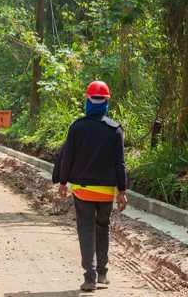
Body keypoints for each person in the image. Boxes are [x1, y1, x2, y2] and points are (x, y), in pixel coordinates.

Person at [57, 81, 128, 292]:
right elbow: (120, 163)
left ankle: (90, 277)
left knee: (86, 230)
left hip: (83, 190)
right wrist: (122, 191)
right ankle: (103, 275)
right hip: (106, 193)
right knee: (103, 228)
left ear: (87, 100)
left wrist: (62, 182)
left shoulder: (77, 127)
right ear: (106, 102)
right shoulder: (115, 130)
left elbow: (67, 158)